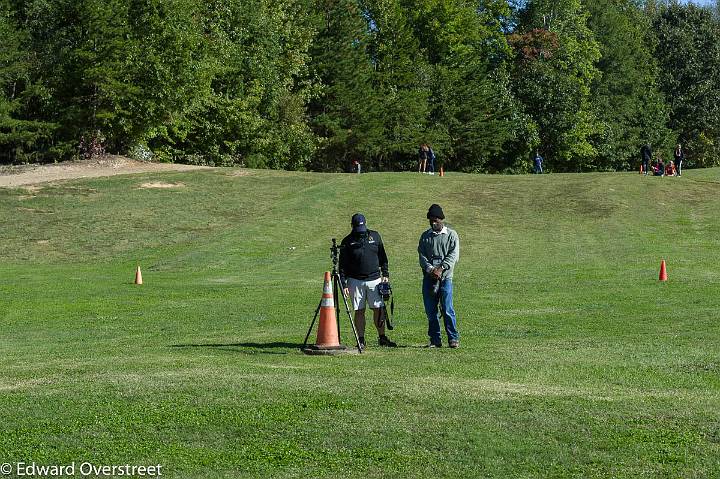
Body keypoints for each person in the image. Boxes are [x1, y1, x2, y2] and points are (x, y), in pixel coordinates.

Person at [339, 213, 396, 349]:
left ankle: (382, 337)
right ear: (352, 226)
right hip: (355, 281)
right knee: (359, 310)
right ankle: (361, 339)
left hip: (375, 279)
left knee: (379, 309)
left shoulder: (375, 236)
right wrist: (344, 284)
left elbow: (383, 258)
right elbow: (341, 266)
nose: (360, 232)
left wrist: (385, 274)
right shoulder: (347, 241)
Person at [418, 204, 460, 348]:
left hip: (446, 278)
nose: (433, 223)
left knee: (447, 309)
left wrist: (441, 268)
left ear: (442, 219)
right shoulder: (425, 236)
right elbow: (422, 255)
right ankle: (435, 339)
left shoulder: (451, 235)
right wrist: (431, 269)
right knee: (431, 311)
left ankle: (453, 338)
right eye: (431, 221)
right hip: (429, 278)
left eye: (436, 220)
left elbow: (453, 255)